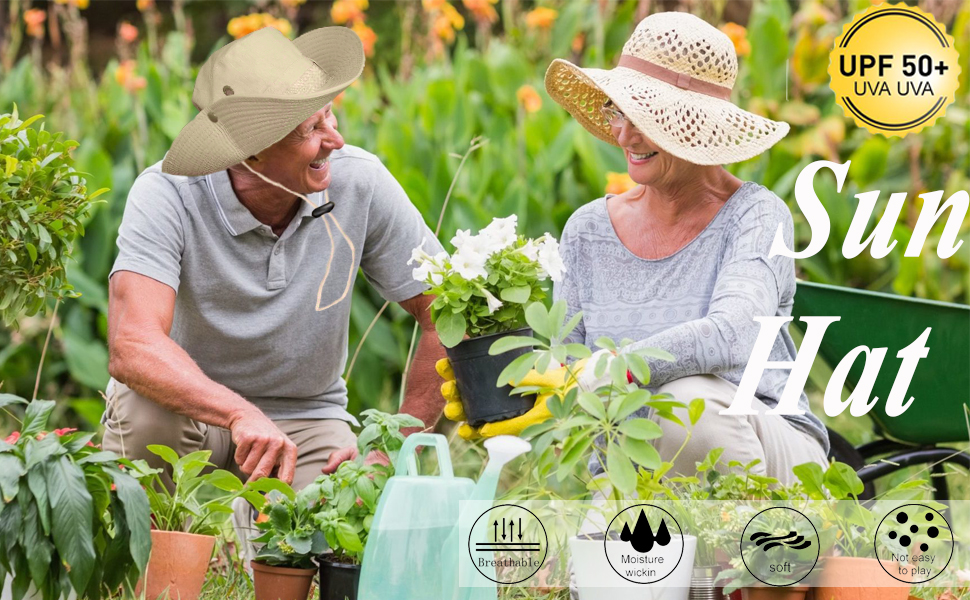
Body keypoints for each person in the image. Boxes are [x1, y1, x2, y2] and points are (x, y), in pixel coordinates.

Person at [444, 12, 828, 484]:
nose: (624, 135)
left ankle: (757, 549)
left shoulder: (755, 216)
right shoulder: (587, 231)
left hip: (770, 452)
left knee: (687, 404)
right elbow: (570, 368)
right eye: (619, 112)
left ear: (697, 124)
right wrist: (505, 389)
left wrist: (607, 371)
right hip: (631, 469)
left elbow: (732, 333)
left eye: (646, 117)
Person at [103, 26, 446, 491]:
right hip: (187, 410)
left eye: (331, 117)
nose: (336, 140)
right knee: (143, 416)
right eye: (312, 129)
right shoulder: (166, 194)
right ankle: (156, 559)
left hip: (306, 416)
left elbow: (444, 312)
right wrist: (238, 412)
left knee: (341, 522)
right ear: (253, 154)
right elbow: (133, 345)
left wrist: (392, 446)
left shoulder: (359, 182)